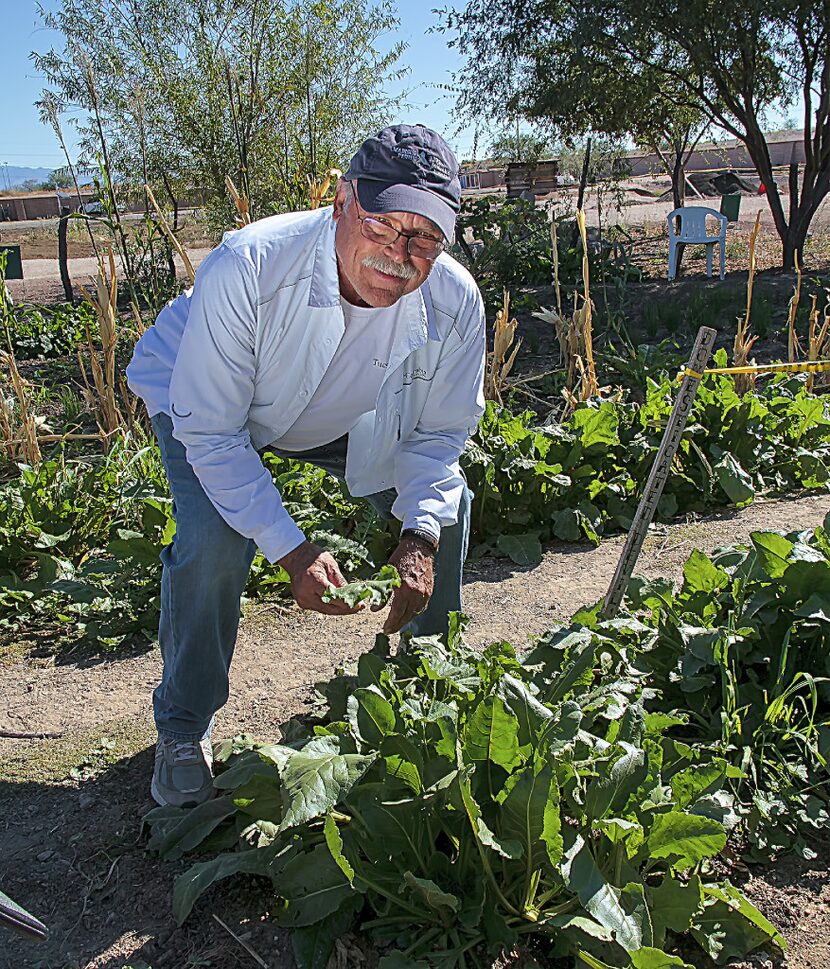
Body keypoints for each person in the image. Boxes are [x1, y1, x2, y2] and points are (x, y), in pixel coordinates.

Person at [126, 124, 486, 807]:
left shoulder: (455, 301)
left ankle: (438, 687)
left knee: (447, 511)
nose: (400, 254)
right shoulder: (250, 265)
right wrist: (292, 553)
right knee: (215, 541)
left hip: (342, 410)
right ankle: (182, 724)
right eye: (384, 223)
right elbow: (214, 431)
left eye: (425, 238)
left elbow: (439, 434)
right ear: (342, 201)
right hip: (209, 401)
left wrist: (418, 539)